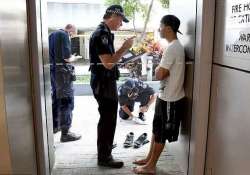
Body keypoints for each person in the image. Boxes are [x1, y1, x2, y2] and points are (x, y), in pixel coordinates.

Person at [133, 15, 186, 174]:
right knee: (157, 129)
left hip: (171, 99)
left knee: (161, 133)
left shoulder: (173, 48)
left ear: (168, 28)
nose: (158, 29)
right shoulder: (172, 46)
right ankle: (149, 159)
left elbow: (159, 74)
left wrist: (157, 69)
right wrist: (159, 69)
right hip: (164, 95)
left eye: (160, 26)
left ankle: (151, 167)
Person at [89, 5, 135, 168]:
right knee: (108, 119)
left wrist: (122, 55)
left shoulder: (105, 32)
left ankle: (104, 147)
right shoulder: (101, 33)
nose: (121, 24)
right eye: (121, 20)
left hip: (104, 81)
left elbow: (108, 60)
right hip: (103, 83)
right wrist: (124, 48)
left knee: (107, 118)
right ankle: (104, 157)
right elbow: (108, 63)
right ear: (113, 16)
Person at [49, 24, 82, 142]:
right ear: (71, 30)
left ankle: (54, 126)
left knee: (56, 99)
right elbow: (67, 58)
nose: (72, 36)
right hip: (63, 75)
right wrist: (75, 57)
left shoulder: (52, 35)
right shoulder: (63, 35)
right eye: (73, 34)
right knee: (66, 101)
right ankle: (66, 133)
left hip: (54, 73)